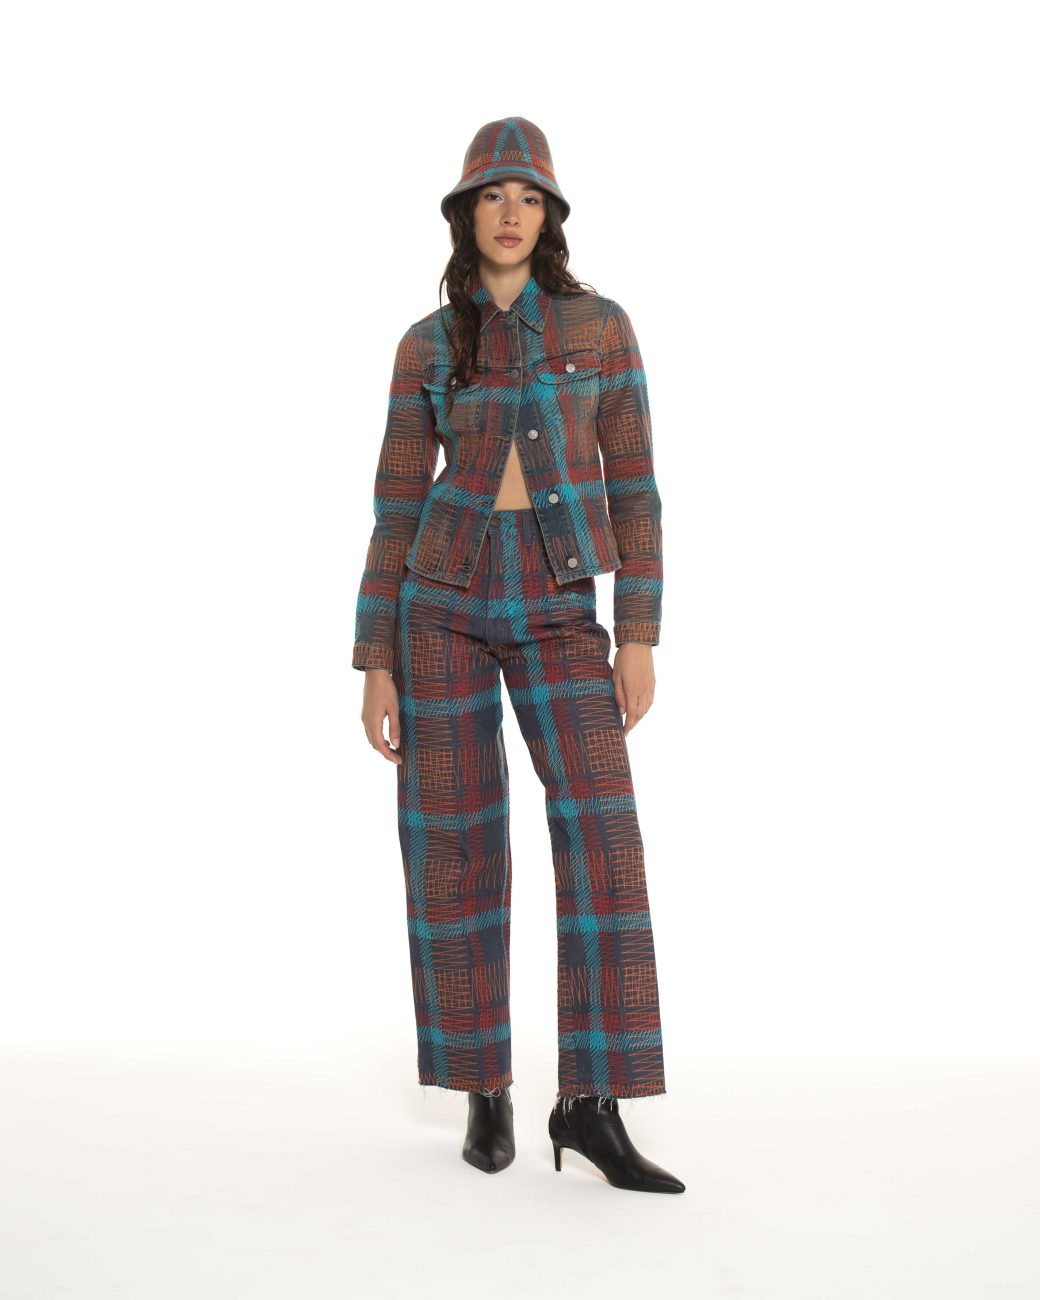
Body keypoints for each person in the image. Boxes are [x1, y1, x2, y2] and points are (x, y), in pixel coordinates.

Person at [353, 117, 683, 1194]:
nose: (510, 213)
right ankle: (482, 1086)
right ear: (465, 213)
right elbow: (395, 506)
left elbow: (635, 487)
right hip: (439, 601)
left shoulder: (600, 326)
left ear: (550, 215)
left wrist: (638, 632)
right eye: (492, 195)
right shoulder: (426, 343)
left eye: (528, 197)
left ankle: (589, 1104)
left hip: (556, 599)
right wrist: (376, 656)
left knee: (602, 834)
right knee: (452, 841)